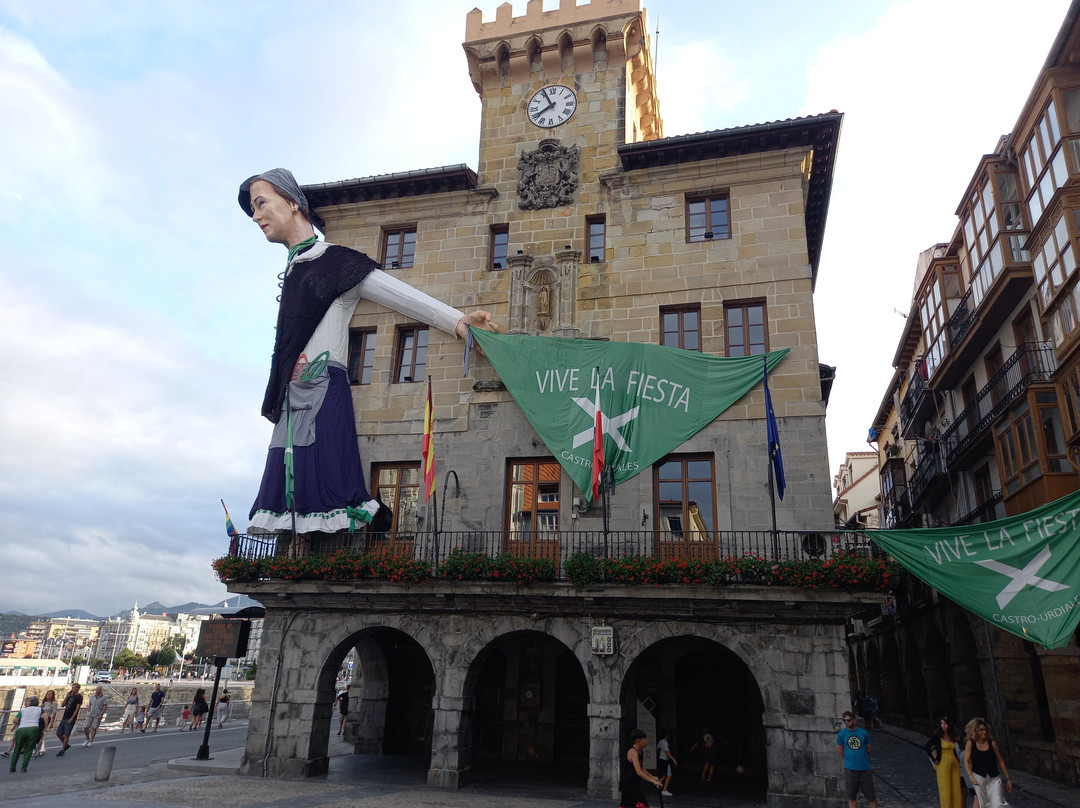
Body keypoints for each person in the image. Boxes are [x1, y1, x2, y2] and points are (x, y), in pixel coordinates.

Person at [237, 168, 497, 534]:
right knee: (293, 476)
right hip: (294, 392)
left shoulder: (336, 261)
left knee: (327, 474)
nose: (256, 215)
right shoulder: (295, 265)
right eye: (252, 208)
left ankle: (371, 521)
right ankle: (312, 542)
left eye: (260, 203)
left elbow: (398, 294)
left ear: (293, 202)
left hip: (322, 384)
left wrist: (457, 321)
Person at [964, 718, 1012, 808]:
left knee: (998, 804)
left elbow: (1000, 761)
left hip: (994, 777)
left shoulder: (992, 743)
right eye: (981, 730)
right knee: (985, 804)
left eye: (985, 729)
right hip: (979, 777)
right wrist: (971, 777)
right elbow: (966, 760)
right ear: (975, 731)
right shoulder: (970, 743)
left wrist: (1008, 779)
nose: (984, 732)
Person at [837, 710, 877, 808]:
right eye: (844, 721)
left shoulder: (863, 733)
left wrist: (860, 757)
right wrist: (850, 758)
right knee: (851, 796)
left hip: (864, 769)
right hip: (850, 769)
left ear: (854, 720)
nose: (846, 722)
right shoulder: (842, 734)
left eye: (848, 720)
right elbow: (840, 749)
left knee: (871, 796)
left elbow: (868, 748)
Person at [924, 716, 962, 808]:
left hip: (954, 763)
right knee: (946, 790)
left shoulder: (951, 736)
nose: (943, 726)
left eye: (945, 723)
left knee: (956, 790)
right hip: (943, 762)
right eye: (941, 723)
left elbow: (956, 749)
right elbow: (927, 747)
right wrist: (934, 759)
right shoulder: (938, 736)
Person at [619, 728, 662, 808]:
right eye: (644, 739)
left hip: (633, 784)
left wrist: (652, 777)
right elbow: (638, 771)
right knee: (642, 805)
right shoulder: (633, 752)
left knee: (627, 805)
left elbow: (641, 767)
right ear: (639, 741)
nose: (646, 741)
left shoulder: (641, 751)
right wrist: (653, 781)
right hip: (628, 784)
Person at [8, 696, 42, 773]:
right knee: (29, 749)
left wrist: (20, 723)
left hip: (22, 729)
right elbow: (45, 717)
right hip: (33, 728)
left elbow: (14, 720)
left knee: (17, 749)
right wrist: (45, 727)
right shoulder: (39, 709)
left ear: (30, 702)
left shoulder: (22, 710)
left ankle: (12, 767)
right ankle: (23, 768)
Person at [55, 683, 82, 756]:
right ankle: (66, 744)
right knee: (59, 733)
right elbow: (62, 704)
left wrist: (72, 718)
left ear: (77, 688)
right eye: (72, 687)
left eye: (74, 688)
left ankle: (63, 750)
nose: (72, 689)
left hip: (71, 717)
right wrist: (67, 696)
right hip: (65, 716)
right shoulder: (70, 696)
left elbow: (77, 708)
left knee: (66, 734)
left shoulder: (79, 697)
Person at [35, 690, 57, 757]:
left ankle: (39, 748)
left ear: (52, 695)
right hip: (39, 718)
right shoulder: (44, 702)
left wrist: (52, 722)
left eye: (50, 694)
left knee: (41, 732)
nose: (48, 695)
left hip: (47, 718)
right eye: (47, 694)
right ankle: (35, 747)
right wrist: (41, 706)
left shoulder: (53, 703)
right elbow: (39, 710)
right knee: (36, 732)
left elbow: (54, 713)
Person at [657, 729, 677, 797]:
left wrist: (660, 753)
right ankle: (664, 790)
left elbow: (657, 748)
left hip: (661, 759)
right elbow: (667, 751)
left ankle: (658, 783)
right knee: (669, 775)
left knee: (664, 775)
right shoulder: (665, 743)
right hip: (665, 760)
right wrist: (673, 758)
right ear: (667, 736)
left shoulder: (661, 741)